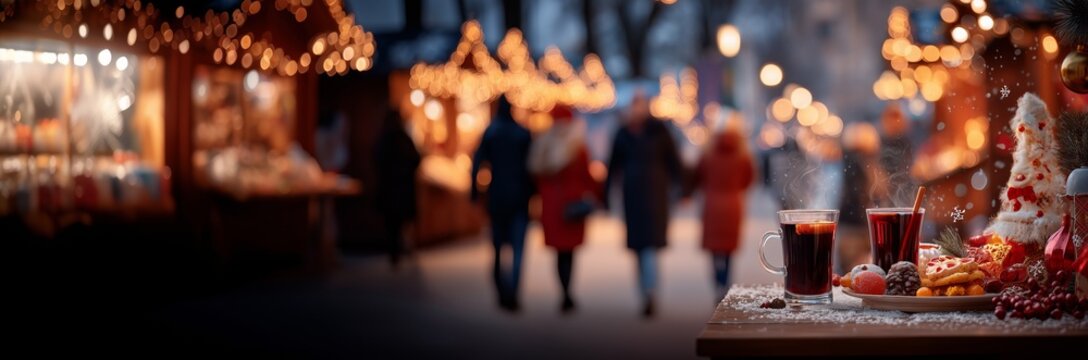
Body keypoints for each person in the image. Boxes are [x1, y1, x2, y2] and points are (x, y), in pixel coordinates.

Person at [604, 92, 683, 317]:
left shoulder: (659, 131)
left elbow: (674, 161)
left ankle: (650, 292)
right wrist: (606, 195)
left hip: (655, 196)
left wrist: (682, 188)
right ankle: (645, 291)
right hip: (632, 197)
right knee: (639, 248)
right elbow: (612, 166)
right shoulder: (622, 133)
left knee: (650, 247)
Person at [527, 105, 599, 313]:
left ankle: (564, 291)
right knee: (570, 252)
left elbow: (535, 173)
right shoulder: (577, 145)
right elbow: (587, 176)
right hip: (572, 204)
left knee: (559, 252)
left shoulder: (543, 144)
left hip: (551, 205)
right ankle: (568, 291)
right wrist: (596, 194)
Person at [471, 96, 535, 312]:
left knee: (498, 247)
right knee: (517, 249)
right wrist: (534, 193)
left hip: (497, 197)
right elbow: (532, 167)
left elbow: (477, 163)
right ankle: (513, 291)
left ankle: (501, 289)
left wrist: (474, 192)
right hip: (519, 197)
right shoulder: (523, 133)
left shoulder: (491, 132)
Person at [694, 123, 754, 303]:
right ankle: (725, 282)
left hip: (712, 204)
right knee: (728, 249)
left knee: (714, 248)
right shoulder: (743, 155)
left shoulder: (708, 155)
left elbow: (698, 176)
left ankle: (717, 282)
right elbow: (749, 179)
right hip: (733, 205)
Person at [836, 122, 886, 274]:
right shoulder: (856, 164)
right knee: (854, 271)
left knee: (854, 271)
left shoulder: (854, 162)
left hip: (853, 225)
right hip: (856, 227)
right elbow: (859, 195)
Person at [374, 109, 421, 268]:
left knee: (391, 223)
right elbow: (416, 159)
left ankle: (394, 253)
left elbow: (376, 159)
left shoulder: (383, 139)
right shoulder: (404, 138)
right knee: (404, 221)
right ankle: (407, 248)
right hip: (404, 187)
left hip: (388, 188)